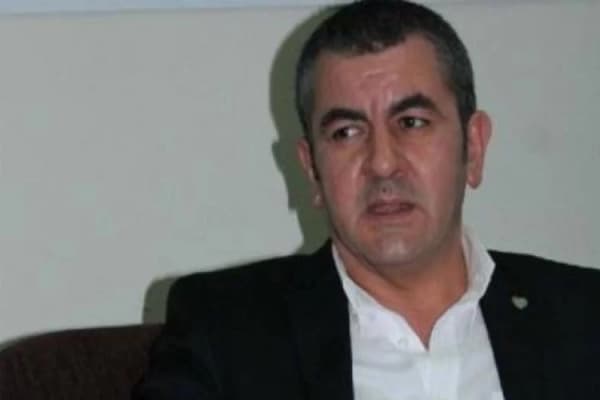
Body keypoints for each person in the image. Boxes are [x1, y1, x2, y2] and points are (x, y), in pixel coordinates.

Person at [134, 1, 600, 399]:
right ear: (312, 169)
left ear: (473, 148)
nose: (382, 163)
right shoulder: (225, 332)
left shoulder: (583, 317)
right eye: (346, 132)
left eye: (412, 122)